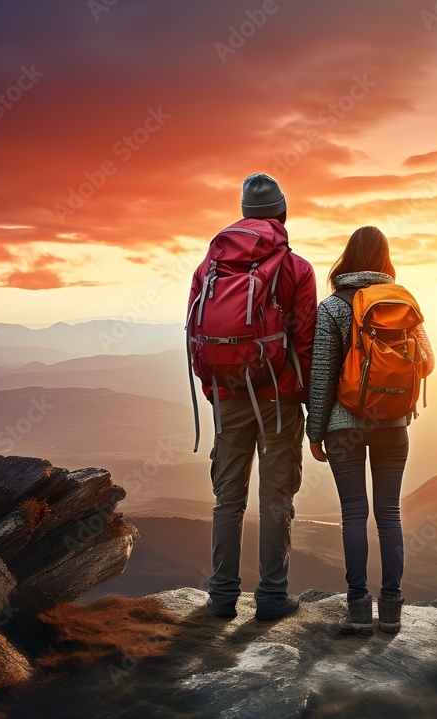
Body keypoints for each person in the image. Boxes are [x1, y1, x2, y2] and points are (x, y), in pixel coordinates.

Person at [191, 173, 317, 621]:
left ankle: (222, 597)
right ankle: (271, 598)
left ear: (245, 213)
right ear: (282, 214)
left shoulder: (209, 267)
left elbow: (195, 335)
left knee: (228, 499)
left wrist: (215, 390)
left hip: (227, 395)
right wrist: (296, 395)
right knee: (277, 498)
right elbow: (305, 340)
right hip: (277, 400)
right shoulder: (296, 268)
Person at [306, 225, 434, 634]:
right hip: (394, 424)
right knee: (390, 513)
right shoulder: (402, 302)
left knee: (354, 515)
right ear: (384, 259)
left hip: (344, 426)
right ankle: (393, 606)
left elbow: (322, 375)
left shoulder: (332, 307)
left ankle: (359, 605)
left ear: (348, 257)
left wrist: (314, 431)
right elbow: (427, 362)